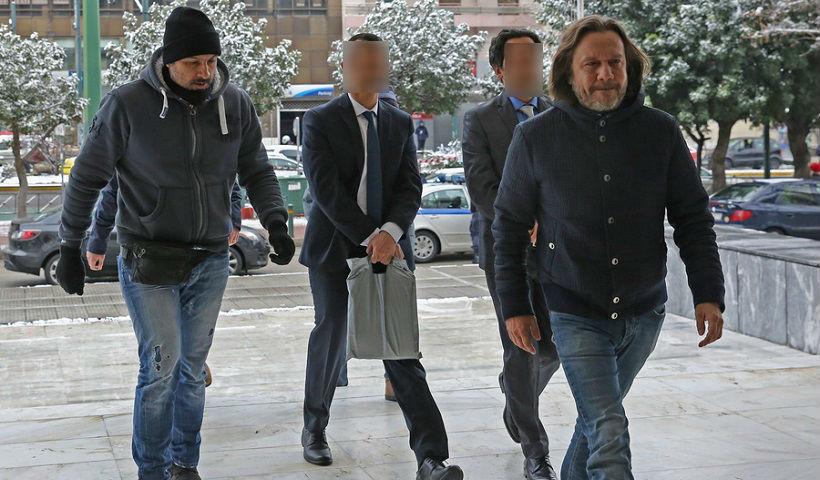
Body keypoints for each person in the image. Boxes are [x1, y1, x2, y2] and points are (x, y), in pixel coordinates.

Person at [55, 7, 295, 480]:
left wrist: (276, 221)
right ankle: (153, 470)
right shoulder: (127, 105)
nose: (204, 72)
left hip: (210, 258)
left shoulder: (235, 104)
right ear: (167, 60)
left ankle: (186, 463)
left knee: (191, 369)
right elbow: (87, 178)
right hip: (149, 258)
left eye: (211, 61)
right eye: (193, 63)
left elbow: (257, 169)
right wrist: (70, 245)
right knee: (160, 367)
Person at [493, 16, 725, 479]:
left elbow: (693, 219)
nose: (605, 74)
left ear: (629, 67)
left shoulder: (661, 131)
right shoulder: (535, 137)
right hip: (572, 309)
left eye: (615, 63)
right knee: (609, 426)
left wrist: (708, 292)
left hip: (644, 311)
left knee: (596, 423)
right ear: (569, 70)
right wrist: (516, 307)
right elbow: (509, 227)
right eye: (592, 64)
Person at [298, 32, 462, 480]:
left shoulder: (399, 122)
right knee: (332, 332)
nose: (371, 72)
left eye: (378, 64)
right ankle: (315, 428)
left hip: (389, 249)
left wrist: (389, 234)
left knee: (401, 348)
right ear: (345, 69)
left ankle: (431, 458)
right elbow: (326, 191)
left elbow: (411, 185)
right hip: (335, 247)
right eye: (362, 64)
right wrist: (370, 235)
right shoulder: (319, 121)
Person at [462, 28, 559, 480]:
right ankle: (535, 449)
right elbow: (482, 187)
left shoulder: (560, 115)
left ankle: (515, 394)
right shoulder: (480, 120)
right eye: (520, 63)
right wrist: (523, 219)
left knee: (554, 348)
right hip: (506, 249)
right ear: (500, 71)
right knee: (523, 346)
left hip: (556, 250)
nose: (529, 70)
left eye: (535, 61)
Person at [85, 176, 245, 388]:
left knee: (184, 352)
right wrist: (97, 240)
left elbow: (230, 183)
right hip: (153, 255)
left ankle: (189, 370)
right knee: (160, 351)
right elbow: (112, 190)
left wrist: (234, 219)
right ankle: (182, 370)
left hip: (201, 254)